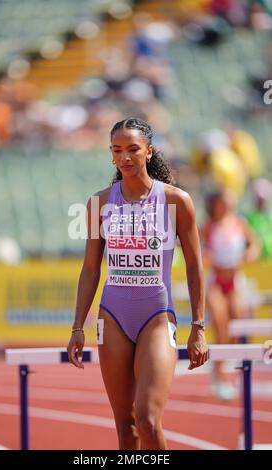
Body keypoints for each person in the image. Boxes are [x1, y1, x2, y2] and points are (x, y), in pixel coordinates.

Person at [67, 117, 208, 450]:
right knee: (126, 427)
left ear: (149, 151)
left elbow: (195, 266)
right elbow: (90, 270)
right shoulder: (99, 204)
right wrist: (77, 327)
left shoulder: (176, 201)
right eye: (117, 151)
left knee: (148, 419)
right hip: (113, 317)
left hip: (157, 317)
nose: (125, 157)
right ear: (111, 156)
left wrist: (199, 326)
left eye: (133, 149)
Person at [201, 190, 261, 400]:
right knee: (220, 325)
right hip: (216, 281)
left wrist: (249, 253)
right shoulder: (210, 226)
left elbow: (255, 243)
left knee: (236, 327)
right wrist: (204, 255)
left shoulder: (239, 223)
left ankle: (227, 369)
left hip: (234, 280)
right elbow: (192, 242)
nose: (225, 206)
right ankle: (218, 375)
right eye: (221, 202)